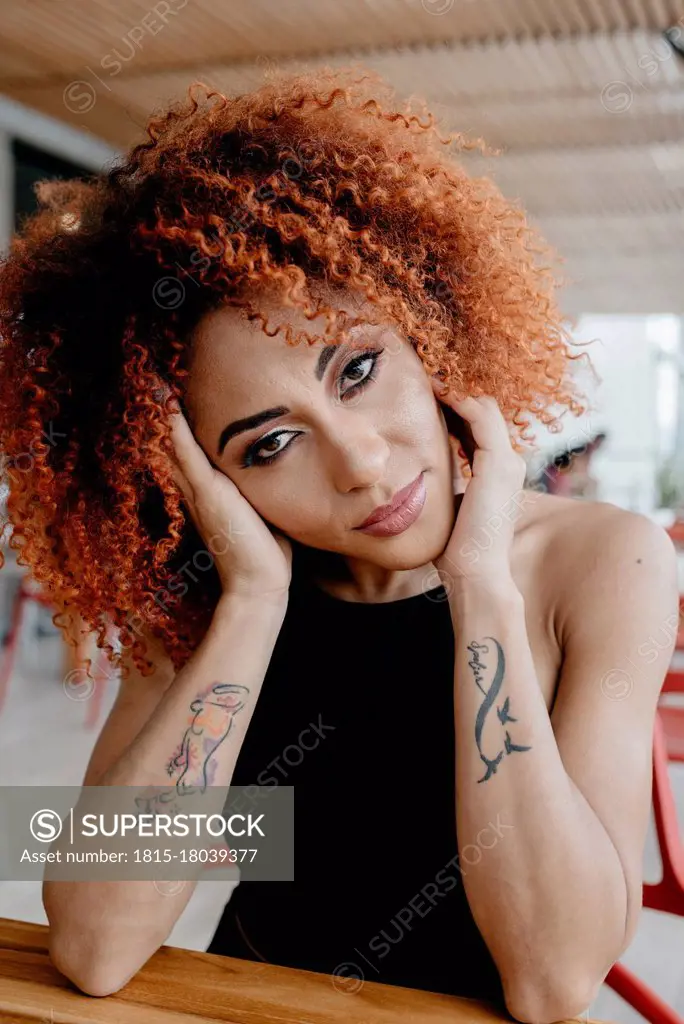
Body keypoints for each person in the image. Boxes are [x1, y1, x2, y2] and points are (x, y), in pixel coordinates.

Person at [0, 67, 678, 1022]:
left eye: (358, 367)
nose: (361, 463)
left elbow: (553, 978)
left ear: (429, 332)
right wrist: (249, 606)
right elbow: (96, 945)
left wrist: (480, 585)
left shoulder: (608, 561)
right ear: (202, 478)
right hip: (267, 999)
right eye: (269, 443)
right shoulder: (210, 591)